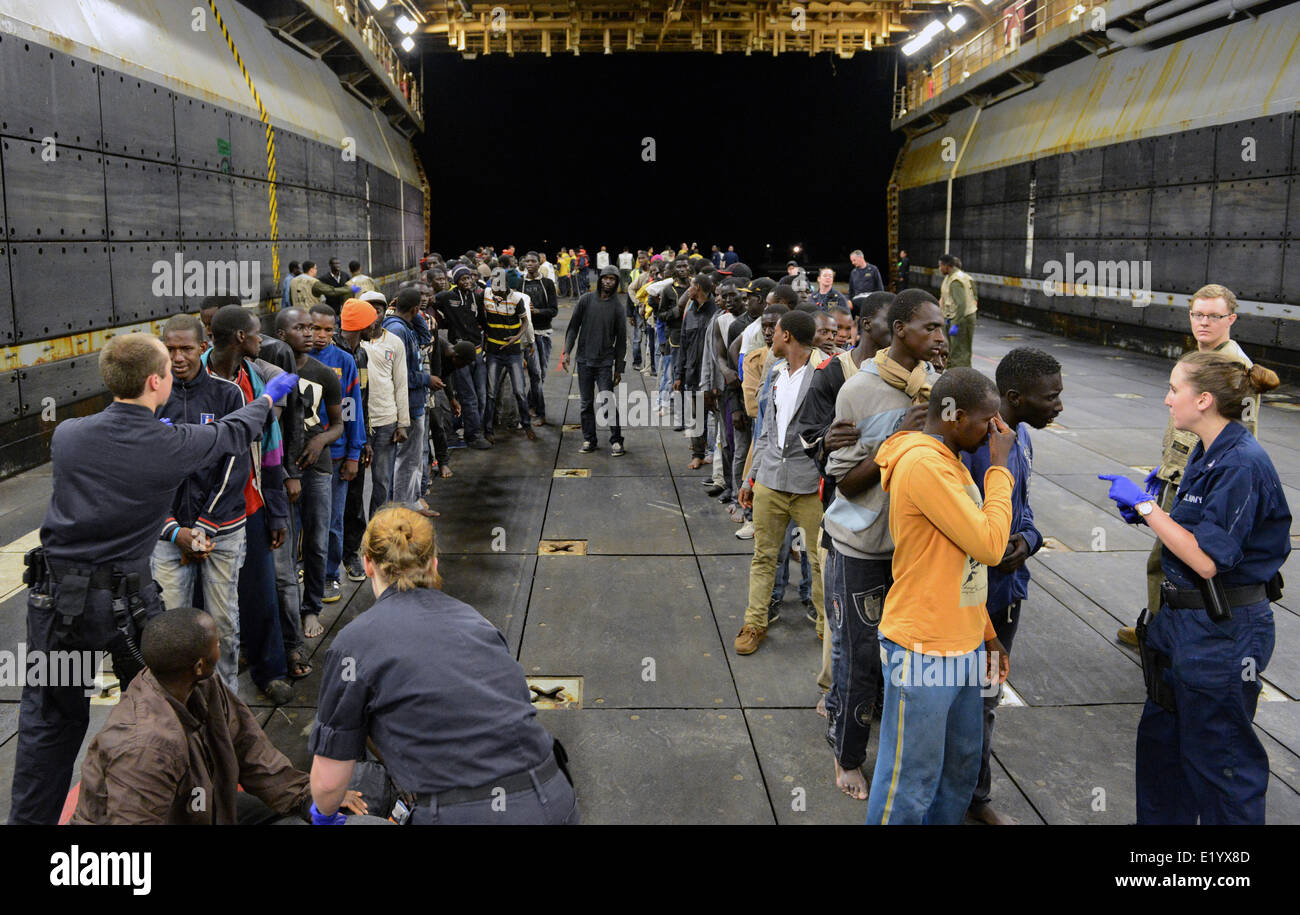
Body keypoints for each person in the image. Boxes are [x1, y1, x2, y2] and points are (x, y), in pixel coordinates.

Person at [10, 333, 292, 824]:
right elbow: (232, 433)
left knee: (50, 721)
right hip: (127, 608)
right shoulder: (169, 445)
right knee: (170, 704)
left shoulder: (69, 435)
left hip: (57, 603)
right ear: (155, 381)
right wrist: (268, 397)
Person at [1100, 352, 1289, 825]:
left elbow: (1207, 560)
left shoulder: (1242, 462)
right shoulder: (1209, 451)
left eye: (1173, 389)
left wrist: (1147, 509)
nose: (1166, 399)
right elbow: (1191, 532)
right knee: (1163, 757)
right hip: (1180, 626)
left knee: (1220, 766)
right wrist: (1157, 511)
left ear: (1203, 400)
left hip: (1221, 634)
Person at [308, 508, 580, 825]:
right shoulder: (477, 623)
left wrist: (324, 815)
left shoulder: (354, 643)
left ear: (368, 564)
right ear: (434, 562)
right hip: (555, 797)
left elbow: (328, 784)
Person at [865, 368, 1015, 825]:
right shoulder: (924, 465)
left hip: (964, 641)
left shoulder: (947, 460)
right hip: (924, 646)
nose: (993, 431)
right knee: (911, 779)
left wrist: (986, 633)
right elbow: (989, 546)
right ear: (955, 416)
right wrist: (999, 469)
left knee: (959, 767)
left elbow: (959, 565)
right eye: (987, 421)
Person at [815, 292, 943, 798]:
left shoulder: (936, 391)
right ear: (900, 331)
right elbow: (843, 483)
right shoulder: (859, 390)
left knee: (904, 661)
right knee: (858, 659)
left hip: (911, 551)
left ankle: (891, 744)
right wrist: (897, 441)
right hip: (861, 548)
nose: (939, 336)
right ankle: (848, 757)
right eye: (930, 328)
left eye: (942, 328)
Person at [70, 608, 369, 825]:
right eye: (216, 643)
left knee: (313, 815)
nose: (222, 647)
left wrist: (305, 795)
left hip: (197, 806)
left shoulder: (201, 683)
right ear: (199, 664)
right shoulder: (145, 745)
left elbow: (249, 747)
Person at [1117, 284, 1260, 648]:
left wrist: (1195, 480)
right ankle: (1157, 625)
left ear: (1231, 319)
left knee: (1177, 561)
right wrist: (1165, 468)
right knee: (1163, 559)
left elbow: (1238, 437)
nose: (1203, 323)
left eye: (1213, 316)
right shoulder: (1202, 359)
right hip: (1178, 474)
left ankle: (1165, 636)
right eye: (1197, 314)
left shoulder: (1233, 369)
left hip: (1198, 482)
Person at [963, 348, 1062, 825]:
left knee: (986, 695)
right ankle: (972, 800)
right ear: (1016, 398)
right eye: (1052, 398)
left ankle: (971, 794)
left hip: (1007, 591)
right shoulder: (977, 444)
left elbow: (1025, 508)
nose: (1059, 407)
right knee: (972, 699)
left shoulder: (1020, 434)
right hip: (973, 596)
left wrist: (1029, 539)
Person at [149, 314, 252, 690]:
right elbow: (146, 471)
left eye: (186, 349)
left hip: (220, 533)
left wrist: (204, 527)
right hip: (169, 536)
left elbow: (236, 463)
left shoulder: (228, 394)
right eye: (170, 349)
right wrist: (174, 529)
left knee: (221, 624)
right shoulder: (152, 396)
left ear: (203, 347)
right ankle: (175, 712)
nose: (177, 357)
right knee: (169, 628)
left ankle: (225, 710)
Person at [202, 305, 294, 706]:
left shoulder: (253, 379)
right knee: (201, 603)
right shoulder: (191, 381)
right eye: (256, 333)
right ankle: (206, 682)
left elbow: (269, 449)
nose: (262, 339)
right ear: (241, 337)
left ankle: (269, 669)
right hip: (202, 510)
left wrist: (275, 510)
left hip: (250, 502)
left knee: (260, 593)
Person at [734, 311, 830, 656]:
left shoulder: (824, 374)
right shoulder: (774, 373)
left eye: (773, 333)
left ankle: (825, 628)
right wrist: (751, 477)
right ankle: (754, 623)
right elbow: (765, 433)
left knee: (820, 561)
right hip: (770, 481)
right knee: (764, 556)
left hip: (809, 485)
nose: (769, 338)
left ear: (786, 336)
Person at [275, 307, 342, 645]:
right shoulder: (269, 372)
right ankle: (286, 611)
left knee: (316, 540)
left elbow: (338, 423)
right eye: (300, 328)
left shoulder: (324, 374)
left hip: (316, 466)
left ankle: (310, 606)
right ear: (282, 335)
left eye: (312, 328)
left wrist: (320, 439)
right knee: (285, 546)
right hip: (283, 468)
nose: (310, 334)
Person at [309, 304, 366, 605]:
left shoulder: (344, 361)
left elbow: (352, 407)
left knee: (332, 520)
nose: (320, 335)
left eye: (328, 330)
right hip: (301, 456)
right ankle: (307, 571)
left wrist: (354, 453)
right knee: (306, 520)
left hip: (335, 455)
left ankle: (330, 573)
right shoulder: (292, 360)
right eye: (315, 328)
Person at [562, 265, 627, 455]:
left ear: (616, 282)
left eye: (612, 279)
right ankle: (589, 439)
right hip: (583, 361)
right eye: (605, 278)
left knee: (607, 402)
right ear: (600, 279)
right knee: (585, 404)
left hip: (605, 363)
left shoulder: (617, 307)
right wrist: (567, 351)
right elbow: (573, 327)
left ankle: (616, 440)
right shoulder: (586, 300)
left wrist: (619, 369)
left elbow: (622, 340)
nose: (608, 281)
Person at [358, 293, 411, 516]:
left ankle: (377, 524)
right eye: (368, 309)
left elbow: (401, 383)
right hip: (358, 422)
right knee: (356, 482)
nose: (373, 314)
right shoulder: (352, 342)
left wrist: (403, 422)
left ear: (384, 311)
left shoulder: (394, 342)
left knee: (381, 480)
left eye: (377, 309)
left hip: (386, 420)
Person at [432, 265, 490, 447]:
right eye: (462, 279)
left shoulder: (477, 297)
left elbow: (483, 322)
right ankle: (473, 436)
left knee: (481, 396)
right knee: (469, 396)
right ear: (455, 281)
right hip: (460, 355)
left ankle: (473, 428)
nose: (467, 281)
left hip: (478, 353)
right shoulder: (447, 297)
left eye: (469, 278)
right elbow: (430, 302)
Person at [482, 280, 539, 442]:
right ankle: (488, 430)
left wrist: (519, 338)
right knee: (491, 392)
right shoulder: (486, 295)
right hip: (493, 352)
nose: (495, 293)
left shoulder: (517, 299)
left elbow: (526, 322)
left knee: (519, 392)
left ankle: (527, 426)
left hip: (513, 353)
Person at [520, 252, 558, 426]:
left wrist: (537, 312)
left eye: (533, 261)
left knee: (540, 375)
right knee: (536, 375)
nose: (529, 264)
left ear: (539, 263)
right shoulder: (519, 283)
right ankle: (540, 413)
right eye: (527, 261)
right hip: (527, 335)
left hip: (544, 333)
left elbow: (554, 310)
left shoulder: (547, 283)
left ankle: (530, 405)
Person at [939, 253, 978, 368]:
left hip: (961, 318)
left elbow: (961, 304)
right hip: (953, 316)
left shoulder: (956, 281)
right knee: (953, 348)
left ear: (947, 266)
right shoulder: (952, 277)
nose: (939, 268)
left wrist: (955, 323)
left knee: (959, 350)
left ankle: (960, 374)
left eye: (941, 266)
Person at [289, 261, 355, 314]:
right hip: (310, 315)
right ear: (312, 270)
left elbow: (291, 299)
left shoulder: (293, 281)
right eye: (316, 268)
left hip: (297, 314)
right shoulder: (313, 282)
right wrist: (350, 289)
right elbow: (332, 291)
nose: (316, 270)